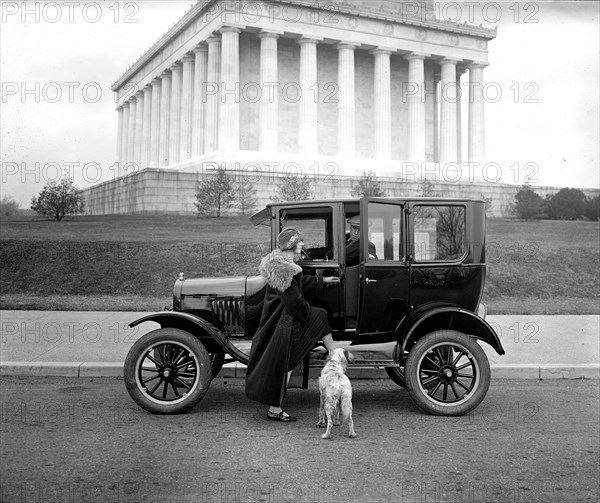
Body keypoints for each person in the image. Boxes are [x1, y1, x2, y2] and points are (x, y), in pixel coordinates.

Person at [245, 227, 339, 422]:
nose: (302, 247)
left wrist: (322, 281)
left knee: (319, 316)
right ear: (291, 246)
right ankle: (275, 409)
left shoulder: (280, 265)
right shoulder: (285, 270)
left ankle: (333, 354)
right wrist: (306, 313)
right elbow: (295, 303)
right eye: (299, 243)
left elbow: (299, 284)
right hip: (284, 326)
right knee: (288, 362)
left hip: (279, 322)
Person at [306, 215, 377, 266]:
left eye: (360, 230)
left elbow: (370, 265)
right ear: (350, 227)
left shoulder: (367, 245)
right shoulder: (344, 238)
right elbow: (328, 250)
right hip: (330, 270)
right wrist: (308, 253)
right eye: (354, 228)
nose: (356, 233)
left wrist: (370, 258)